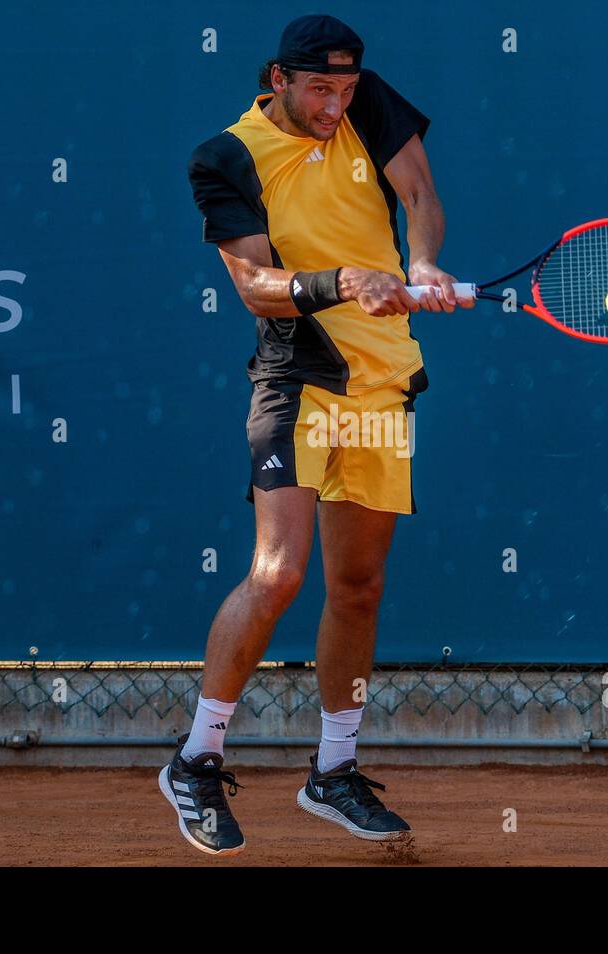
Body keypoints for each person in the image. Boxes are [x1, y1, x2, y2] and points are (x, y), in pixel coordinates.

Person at [160, 13, 470, 857]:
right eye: (320, 89)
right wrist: (342, 280)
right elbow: (256, 285)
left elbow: (419, 196)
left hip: (385, 380)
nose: (337, 104)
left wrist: (426, 264)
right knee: (280, 571)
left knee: (360, 584)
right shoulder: (224, 157)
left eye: (346, 88)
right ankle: (197, 758)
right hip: (299, 377)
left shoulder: (367, 106)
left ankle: (332, 772)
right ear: (279, 79)